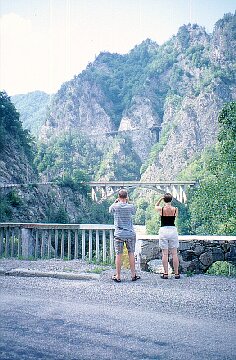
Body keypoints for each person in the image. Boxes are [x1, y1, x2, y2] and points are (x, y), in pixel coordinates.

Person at [109, 189, 140, 283]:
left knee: (118, 254)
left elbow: (110, 210)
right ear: (127, 197)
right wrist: (128, 201)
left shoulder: (115, 206)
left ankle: (118, 276)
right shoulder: (130, 206)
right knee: (131, 253)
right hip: (130, 234)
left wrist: (115, 201)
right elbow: (134, 211)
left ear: (118, 197)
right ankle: (133, 275)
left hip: (119, 234)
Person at [155, 193, 180, 279]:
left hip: (163, 230)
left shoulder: (161, 209)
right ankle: (176, 273)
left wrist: (161, 199)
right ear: (171, 200)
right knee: (174, 253)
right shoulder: (175, 209)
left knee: (165, 254)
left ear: (164, 200)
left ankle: (166, 273)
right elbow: (176, 216)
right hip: (173, 230)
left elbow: (155, 206)